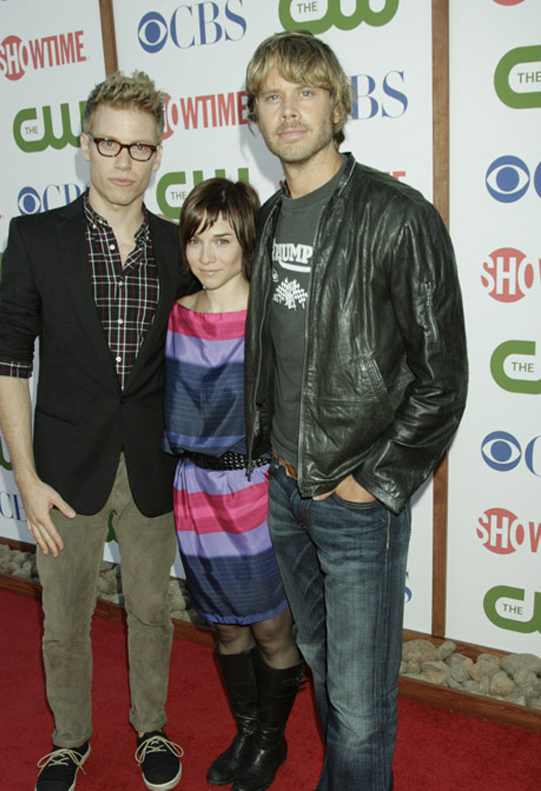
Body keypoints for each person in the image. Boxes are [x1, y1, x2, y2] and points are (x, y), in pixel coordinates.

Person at [243, 31, 468, 791]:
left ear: (337, 105)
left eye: (306, 90)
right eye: (271, 95)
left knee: (362, 702)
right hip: (284, 490)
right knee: (324, 666)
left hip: (353, 499)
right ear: (255, 116)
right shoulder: (269, 219)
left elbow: (443, 374)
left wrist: (373, 480)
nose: (289, 109)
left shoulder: (397, 216)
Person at [0, 71, 188, 791]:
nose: (123, 160)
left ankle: (152, 726)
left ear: (158, 153)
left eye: (139, 147)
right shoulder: (35, 238)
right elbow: (10, 361)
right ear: (84, 146)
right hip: (63, 470)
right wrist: (25, 478)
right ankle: (69, 739)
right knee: (63, 618)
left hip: (152, 465)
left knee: (149, 611)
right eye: (109, 143)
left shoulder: (181, 248)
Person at [162, 177, 304, 791]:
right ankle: (246, 731)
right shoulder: (178, 314)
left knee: (272, 627)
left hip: (255, 491)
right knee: (223, 626)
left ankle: (271, 742)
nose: (208, 255)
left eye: (223, 240)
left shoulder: (269, 318)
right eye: (196, 239)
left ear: (248, 243)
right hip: (195, 494)